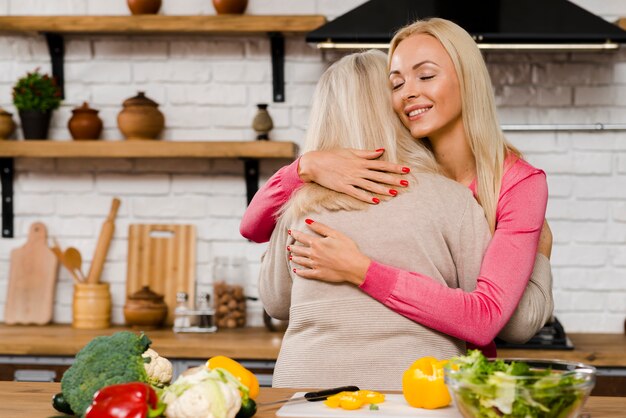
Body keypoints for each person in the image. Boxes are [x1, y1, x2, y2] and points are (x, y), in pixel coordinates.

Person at [243, 18, 554, 357]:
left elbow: (507, 324)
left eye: (426, 75)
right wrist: (304, 166)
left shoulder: (517, 183)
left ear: (468, 80)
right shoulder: (394, 170)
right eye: (396, 83)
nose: (408, 93)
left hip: (457, 375)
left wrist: (541, 251)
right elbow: (252, 227)